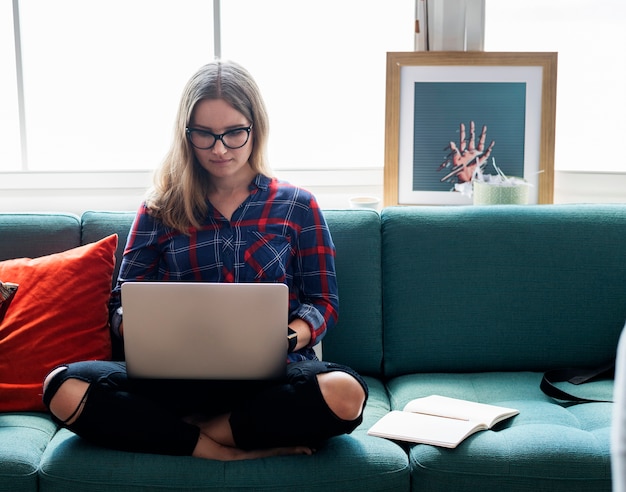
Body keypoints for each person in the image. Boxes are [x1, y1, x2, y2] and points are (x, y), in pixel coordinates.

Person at [42, 60, 368, 461]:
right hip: (172, 379)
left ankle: (191, 434)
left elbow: (323, 304)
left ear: (255, 128)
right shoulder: (160, 207)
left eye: (234, 133)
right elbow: (120, 302)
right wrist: (148, 331)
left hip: (269, 378)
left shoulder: (297, 206)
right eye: (204, 134)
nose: (219, 148)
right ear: (186, 134)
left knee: (346, 393)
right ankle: (223, 447)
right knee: (61, 387)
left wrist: (280, 339)